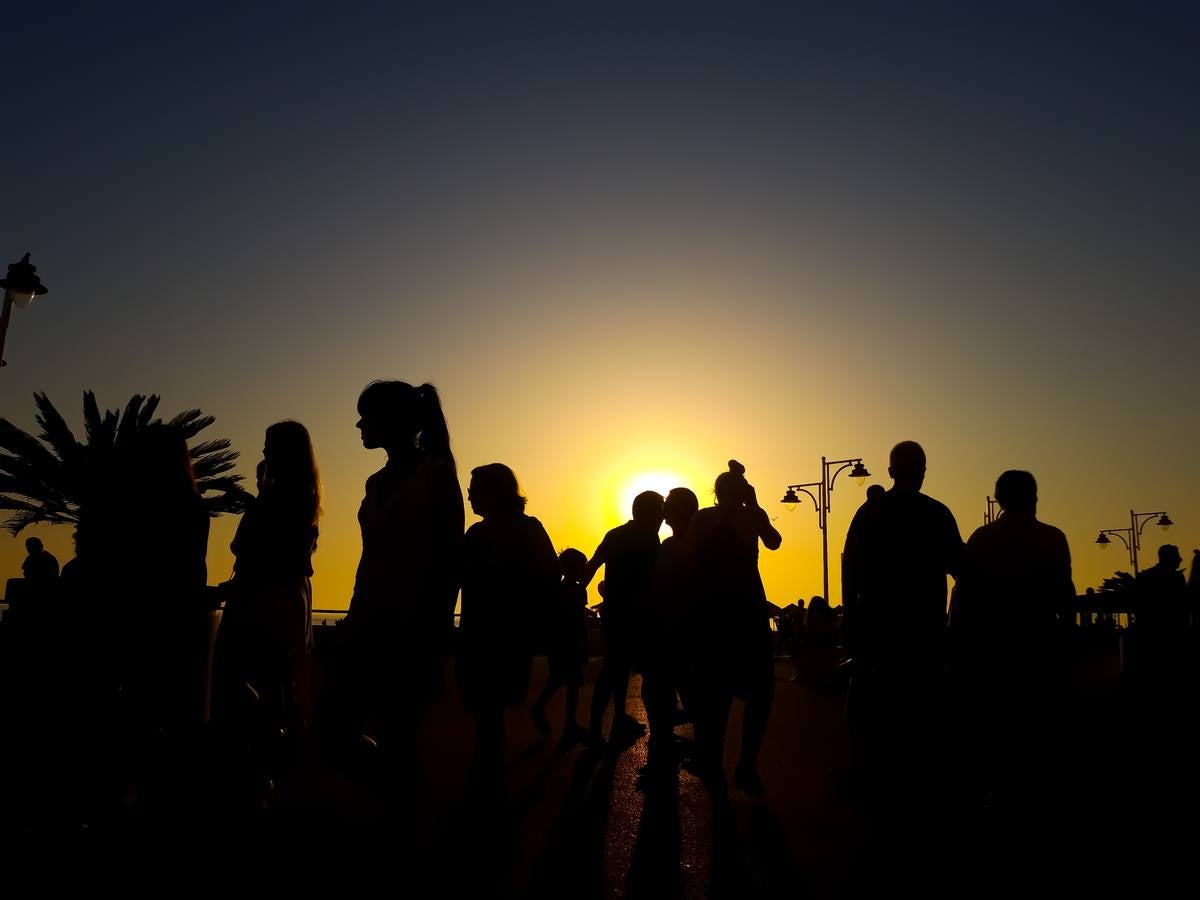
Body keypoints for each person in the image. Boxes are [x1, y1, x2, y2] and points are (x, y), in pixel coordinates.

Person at [338, 381, 464, 814]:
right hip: (368, 616)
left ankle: (399, 827)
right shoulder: (375, 481)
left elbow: (450, 556)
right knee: (343, 724)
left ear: (393, 421)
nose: (359, 424)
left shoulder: (435, 472)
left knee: (399, 731)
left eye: (366, 416)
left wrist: (435, 626)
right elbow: (369, 558)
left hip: (413, 623)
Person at [841, 441, 962, 799]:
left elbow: (850, 568)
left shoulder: (870, 514)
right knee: (920, 708)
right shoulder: (937, 513)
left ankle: (868, 771)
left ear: (891, 472)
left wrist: (850, 615)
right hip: (923, 628)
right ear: (922, 471)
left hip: (878, 627)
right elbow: (961, 567)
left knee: (869, 705)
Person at [213, 421, 321, 807]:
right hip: (282, 602)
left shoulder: (278, 500)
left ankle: (260, 775)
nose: (263, 456)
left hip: (261, 603)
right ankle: (274, 774)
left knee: (244, 684)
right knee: (275, 686)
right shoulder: (301, 498)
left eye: (268, 449)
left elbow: (257, 557)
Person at [951, 470, 1074, 808]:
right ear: (1033, 497)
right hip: (1038, 649)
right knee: (1036, 733)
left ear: (999, 500)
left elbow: (965, 598)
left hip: (991, 652)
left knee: (994, 733)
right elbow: (1065, 596)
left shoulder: (982, 539)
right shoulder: (1053, 538)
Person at [458, 464, 559, 803]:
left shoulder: (516, 530)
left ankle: (486, 782)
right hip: (485, 631)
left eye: (475, 488)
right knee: (488, 710)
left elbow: (549, 574)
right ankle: (487, 779)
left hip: (501, 633)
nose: (469, 494)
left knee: (489, 709)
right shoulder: (477, 534)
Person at [684, 460, 782, 795]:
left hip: (716, 610)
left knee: (717, 691)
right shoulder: (749, 516)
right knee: (759, 691)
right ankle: (746, 761)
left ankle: (715, 760)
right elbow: (774, 542)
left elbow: (690, 561)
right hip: (745, 607)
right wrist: (754, 505)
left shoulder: (705, 518)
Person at [583, 491, 664, 747]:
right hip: (637, 615)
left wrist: (576, 587)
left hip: (615, 613)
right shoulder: (650, 537)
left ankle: (613, 719)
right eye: (660, 511)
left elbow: (593, 564)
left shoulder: (615, 534)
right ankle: (598, 728)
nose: (663, 517)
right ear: (651, 513)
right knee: (624, 671)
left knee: (616, 668)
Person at [640, 486, 699, 781]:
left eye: (668, 504)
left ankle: (668, 747)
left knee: (668, 689)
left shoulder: (680, 545)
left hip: (678, 629)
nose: (663, 509)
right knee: (666, 689)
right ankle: (669, 744)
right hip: (674, 628)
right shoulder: (672, 543)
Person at [529, 548, 591, 745]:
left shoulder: (558, 589)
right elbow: (581, 619)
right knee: (564, 681)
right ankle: (550, 714)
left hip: (560, 642)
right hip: (567, 642)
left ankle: (568, 723)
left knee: (565, 681)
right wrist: (586, 641)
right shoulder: (575, 590)